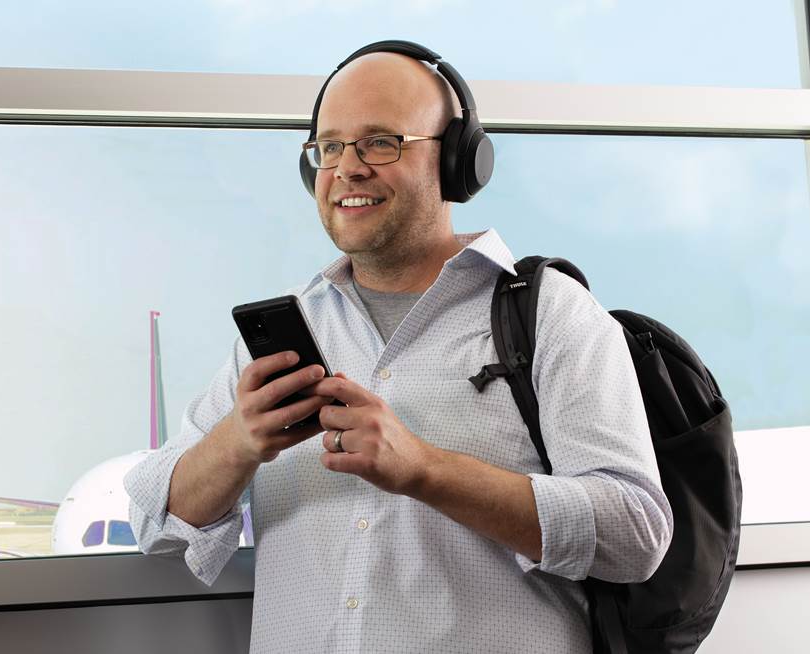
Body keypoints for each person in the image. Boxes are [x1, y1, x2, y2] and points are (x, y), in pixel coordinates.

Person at [125, 41, 673, 653]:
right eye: (329, 147)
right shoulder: (282, 335)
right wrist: (236, 442)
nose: (348, 168)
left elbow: (637, 531)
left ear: (458, 163)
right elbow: (153, 523)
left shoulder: (549, 313)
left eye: (380, 142)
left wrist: (423, 469)